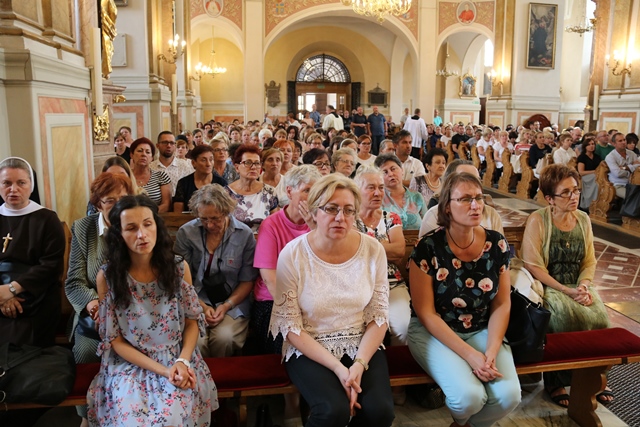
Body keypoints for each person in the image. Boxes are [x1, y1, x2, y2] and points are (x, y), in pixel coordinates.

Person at [269, 174, 395, 427]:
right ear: (314, 212)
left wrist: (358, 364)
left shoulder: (373, 250)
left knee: (379, 410)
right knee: (332, 410)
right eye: (331, 209)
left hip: (361, 342)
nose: (340, 217)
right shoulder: (293, 254)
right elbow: (291, 327)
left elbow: (379, 316)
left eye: (348, 210)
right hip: (309, 344)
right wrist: (339, 369)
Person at [87, 195, 217, 426]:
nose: (142, 234)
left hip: (176, 357)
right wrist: (163, 371)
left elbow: (191, 322)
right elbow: (116, 341)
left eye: (147, 224)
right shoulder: (108, 277)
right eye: (131, 228)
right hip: (129, 363)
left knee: (171, 418)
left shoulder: (178, 268)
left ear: (157, 225)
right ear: (119, 234)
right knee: (131, 420)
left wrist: (182, 362)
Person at [408, 172, 520, 427]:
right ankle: (463, 420)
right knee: (469, 398)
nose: (475, 205)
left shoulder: (497, 243)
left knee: (509, 396)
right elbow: (426, 313)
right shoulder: (428, 247)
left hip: (481, 326)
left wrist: (491, 351)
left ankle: (464, 425)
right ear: (447, 206)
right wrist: (471, 355)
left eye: (479, 198)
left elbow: (502, 304)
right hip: (434, 330)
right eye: (466, 199)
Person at [521, 164, 611, 407]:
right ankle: (556, 380)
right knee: (563, 320)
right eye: (566, 192)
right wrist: (566, 290)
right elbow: (534, 266)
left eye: (576, 190)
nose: (574, 197)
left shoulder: (583, 219)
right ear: (550, 198)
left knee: (601, 320)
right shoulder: (538, 220)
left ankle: (594, 376)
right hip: (550, 285)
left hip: (578, 285)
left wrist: (583, 286)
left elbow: (589, 260)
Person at [65, 172, 134, 425]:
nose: (117, 206)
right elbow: (74, 281)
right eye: (109, 200)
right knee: (85, 352)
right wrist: (95, 305)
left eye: (122, 199)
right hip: (94, 317)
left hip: (133, 315)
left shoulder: (137, 225)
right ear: (97, 204)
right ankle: (87, 417)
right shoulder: (84, 228)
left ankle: (126, 415)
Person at [174, 184, 257, 357]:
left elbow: (247, 280)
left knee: (225, 338)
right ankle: (198, 373)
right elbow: (180, 279)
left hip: (232, 301)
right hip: (194, 299)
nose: (210, 225)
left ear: (227, 211)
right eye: (203, 219)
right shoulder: (187, 233)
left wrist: (226, 306)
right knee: (197, 342)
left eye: (215, 219)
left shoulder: (244, 235)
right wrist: (202, 307)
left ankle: (222, 374)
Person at [0, 156, 65, 347]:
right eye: (6, 183)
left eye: (21, 183)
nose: (13, 189)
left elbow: (52, 266)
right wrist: (2, 297)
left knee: (20, 344)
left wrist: (12, 289)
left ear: (31, 185)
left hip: (36, 296)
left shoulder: (47, 219)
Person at [354, 166, 409, 346]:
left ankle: (397, 363)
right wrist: (384, 246)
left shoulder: (391, 218)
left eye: (381, 187)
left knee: (404, 328)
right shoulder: (349, 219)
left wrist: (366, 245)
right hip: (357, 286)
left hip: (391, 284)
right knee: (358, 331)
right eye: (371, 188)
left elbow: (399, 251)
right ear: (357, 190)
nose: (378, 193)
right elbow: (352, 253)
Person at [226, 144, 279, 232]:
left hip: (263, 238)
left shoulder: (269, 192)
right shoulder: (225, 194)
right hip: (235, 239)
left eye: (257, 163)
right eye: (248, 163)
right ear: (237, 167)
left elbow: (276, 223)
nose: (253, 167)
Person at [375, 153, 427, 230]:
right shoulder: (378, 199)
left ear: (402, 170)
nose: (390, 174)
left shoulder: (417, 197)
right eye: (385, 172)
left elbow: (427, 225)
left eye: (393, 169)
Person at [173, 145, 228, 213]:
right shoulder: (184, 183)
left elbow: (225, 211)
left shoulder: (221, 183)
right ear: (193, 163)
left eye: (211, 160)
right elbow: (177, 214)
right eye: (203, 160)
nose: (208, 164)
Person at [130, 137, 172, 212]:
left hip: (155, 215)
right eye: (140, 151)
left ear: (152, 158)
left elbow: (166, 205)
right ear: (132, 155)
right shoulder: (126, 176)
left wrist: (148, 214)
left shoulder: (161, 176)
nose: (143, 154)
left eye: (148, 152)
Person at [577, 137, 602, 211]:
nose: (592, 146)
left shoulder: (597, 157)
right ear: (585, 146)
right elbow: (581, 172)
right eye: (589, 144)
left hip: (596, 175)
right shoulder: (582, 157)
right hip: (586, 177)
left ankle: (599, 203)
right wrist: (594, 171)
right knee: (596, 181)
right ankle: (590, 203)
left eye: (593, 144)